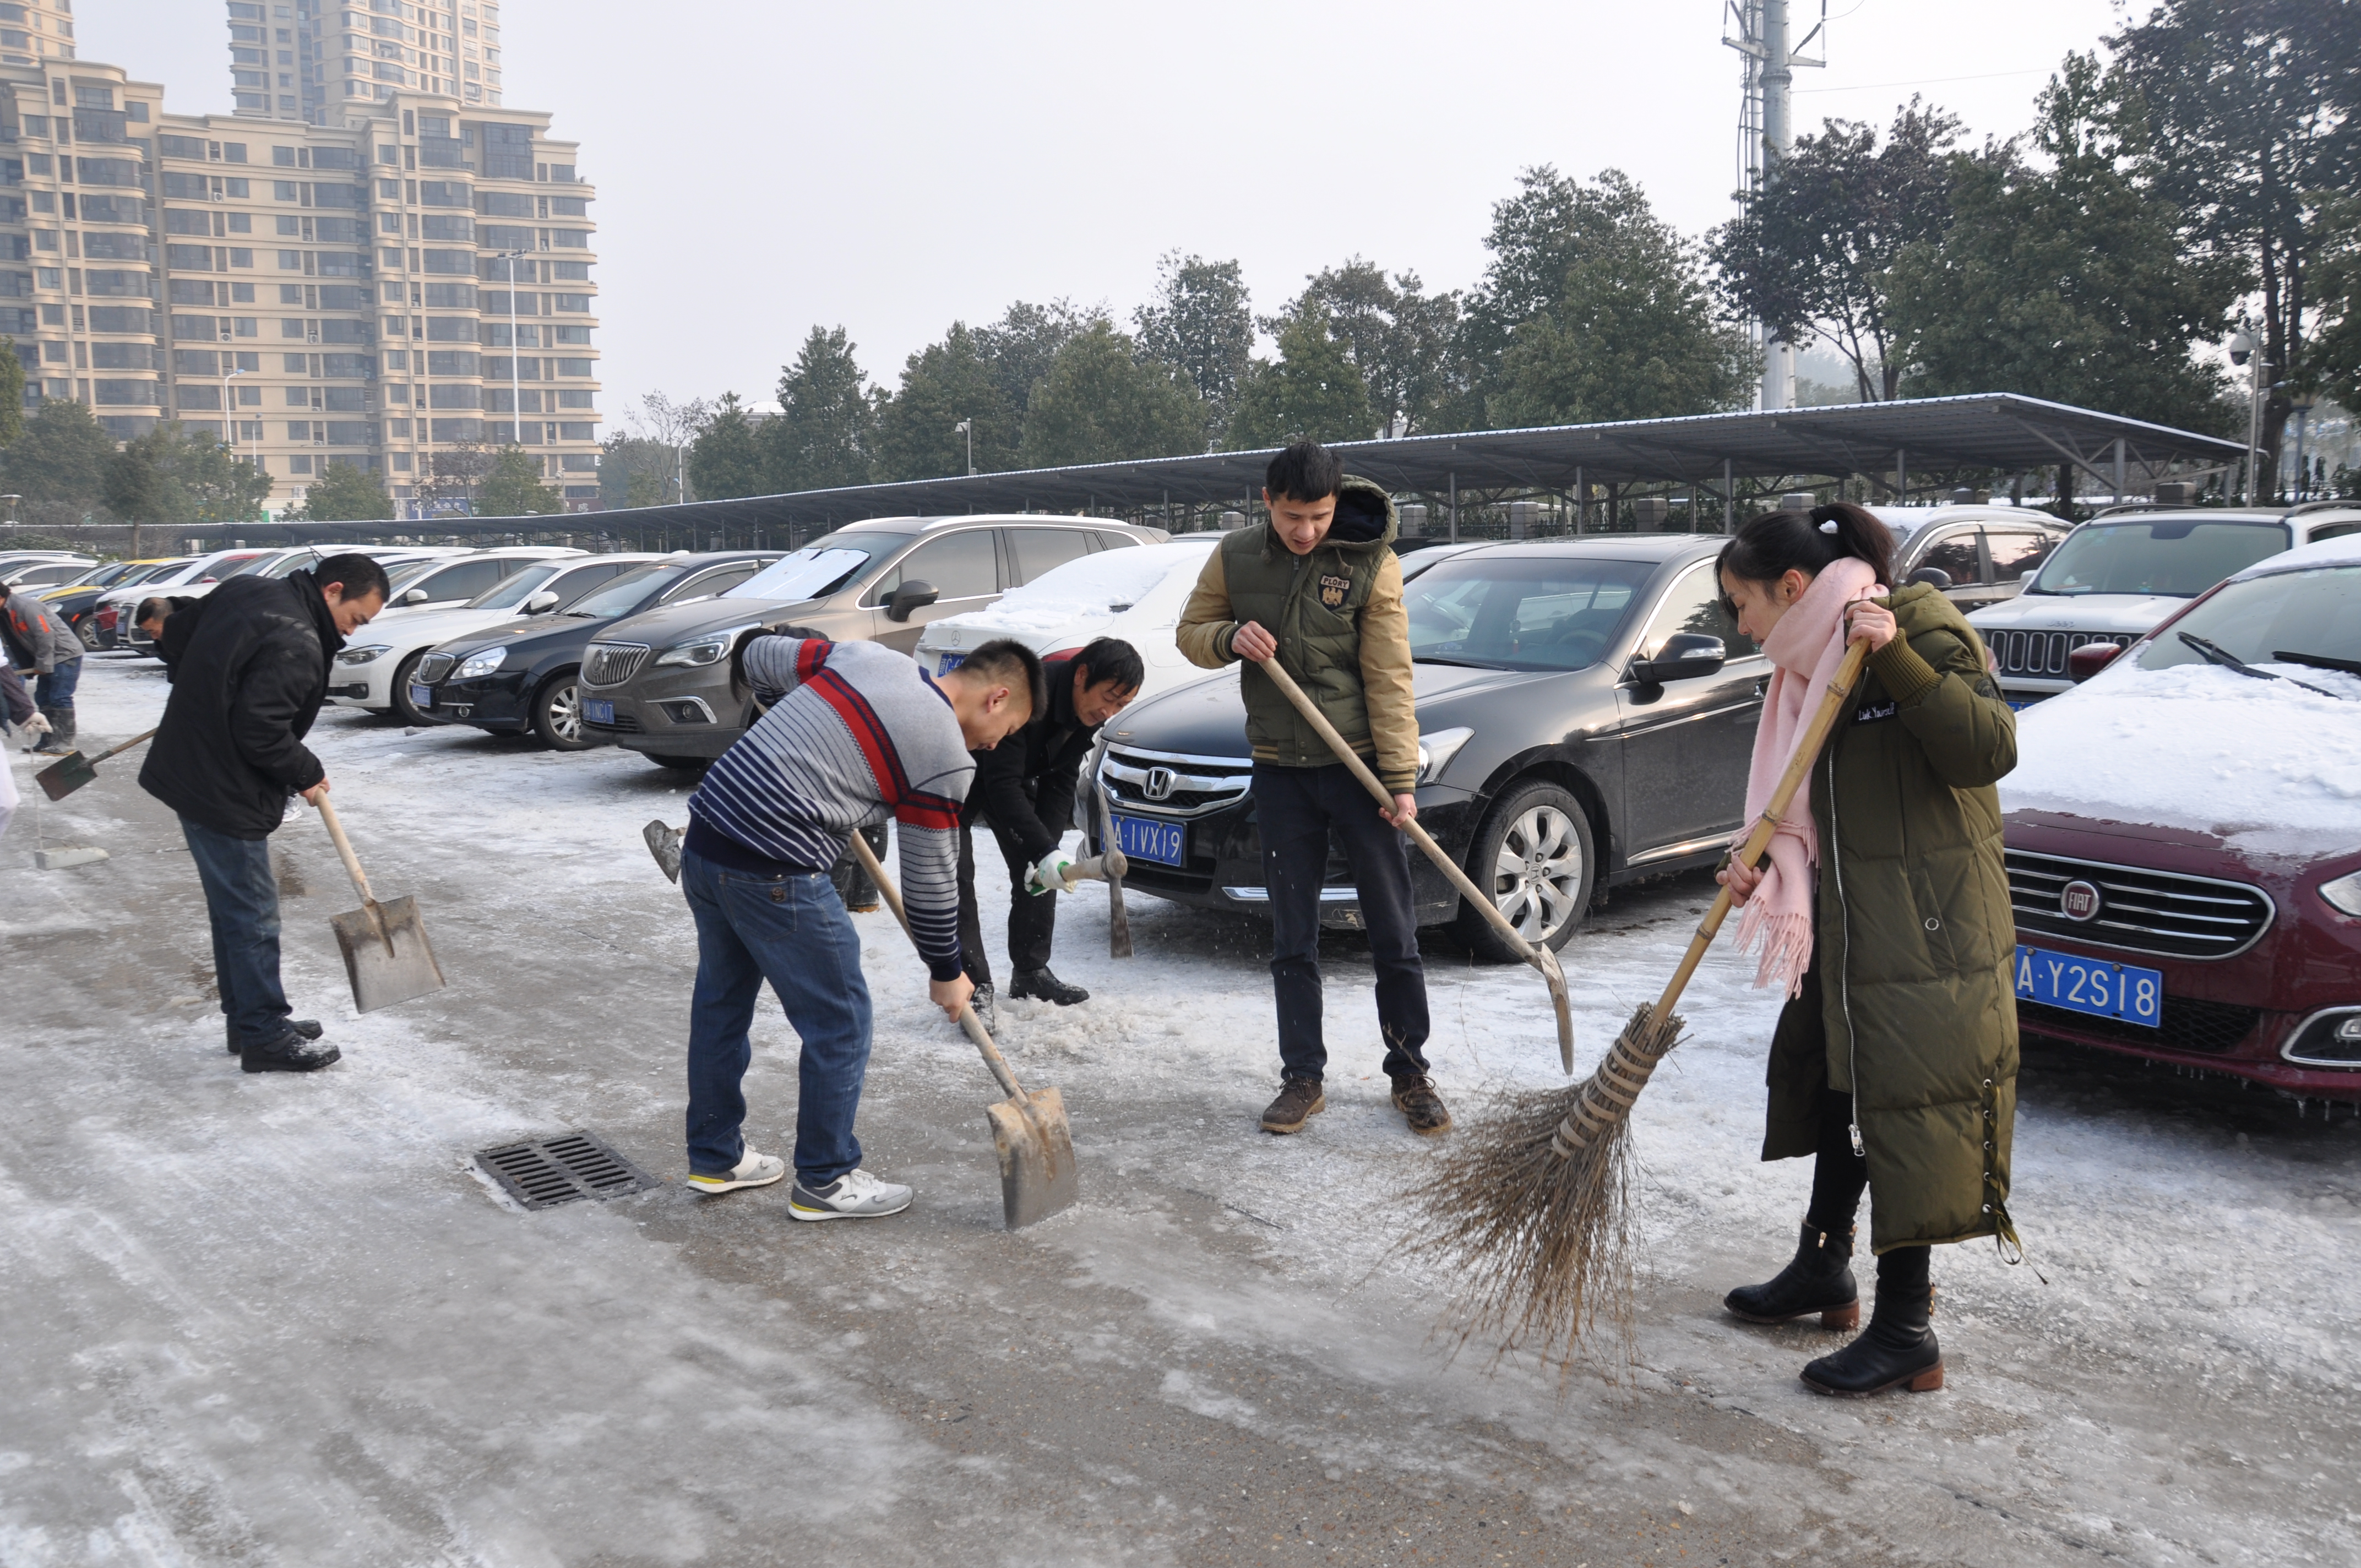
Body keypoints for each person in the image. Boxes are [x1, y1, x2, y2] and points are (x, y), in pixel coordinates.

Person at [1711, 502, 2019, 1398]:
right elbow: (1805, 802)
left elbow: (1987, 746)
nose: (1741, 624)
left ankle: (1905, 1329)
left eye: (1742, 604)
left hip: (1926, 928)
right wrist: (1761, 859)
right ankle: (1822, 1268)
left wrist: (1897, 657)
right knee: (1837, 1087)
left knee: (1904, 1110)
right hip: (1847, 925)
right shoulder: (1802, 670)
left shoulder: (1908, 623)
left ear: (1791, 587)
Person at [677, 629, 1038, 1219]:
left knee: (722, 1003)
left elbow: (754, 655)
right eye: (1010, 729)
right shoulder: (943, 751)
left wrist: (801, 726)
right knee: (840, 1020)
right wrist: (948, 970)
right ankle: (826, 1176)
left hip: (708, 838)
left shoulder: (866, 657)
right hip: (775, 866)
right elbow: (929, 884)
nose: (997, 745)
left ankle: (715, 1157)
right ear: (996, 698)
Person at [1175, 439, 1446, 1139]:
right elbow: (1189, 632)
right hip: (1279, 767)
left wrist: (1397, 780)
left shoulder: (1369, 561)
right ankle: (1303, 1077)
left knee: (1392, 926)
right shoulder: (1235, 555)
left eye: (1319, 516)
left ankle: (1410, 1069)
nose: (1307, 531)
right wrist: (1229, 637)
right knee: (1292, 934)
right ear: (1267, 503)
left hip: (1357, 769)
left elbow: (1389, 677)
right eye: (1294, 516)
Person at [138, 554, 391, 1072]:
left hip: (193, 769)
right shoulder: (297, 640)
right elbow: (261, 731)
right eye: (356, 617)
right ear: (333, 590)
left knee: (234, 909)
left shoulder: (248, 590)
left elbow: (179, 633)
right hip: (220, 785)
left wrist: (210, 689)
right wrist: (305, 770)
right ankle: (264, 1036)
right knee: (252, 912)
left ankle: (248, 1020)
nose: (352, 629)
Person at [955, 636, 1143, 1024]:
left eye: (1121, 705)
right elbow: (1000, 784)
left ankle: (1031, 971)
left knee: (1042, 869)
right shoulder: (1030, 694)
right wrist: (1044, 849)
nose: (1109, 710)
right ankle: (973, 987)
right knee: (957, 875)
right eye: (1108, 696)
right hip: (959, 772)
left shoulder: (1089, 712)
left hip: (1010, 775)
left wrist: (1049, 852)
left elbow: (1061, 778)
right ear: (1082, 675)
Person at [0, 579, 85, 755]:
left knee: (60, 697)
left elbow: (45, 635)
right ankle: (48, 740)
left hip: (64, 654)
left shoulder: (26, 607)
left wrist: (43, 665)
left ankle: (66, 742)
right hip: (48, 657)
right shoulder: (5, 611)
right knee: (43, 698)